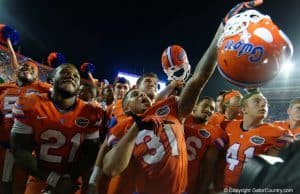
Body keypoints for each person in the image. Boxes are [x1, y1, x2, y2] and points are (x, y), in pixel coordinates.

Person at [100, 22, 224, 194]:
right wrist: (136, 128)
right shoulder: (123, 126)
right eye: (135, 95)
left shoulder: (171, 107)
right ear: (126, 107)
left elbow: (199, 79)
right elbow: (111, 168)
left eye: (143, 94)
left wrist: (222, 33)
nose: (142, 95)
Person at [10, 64, 106, 194]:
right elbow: (20, 150)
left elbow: (90, 154)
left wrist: (67, 180)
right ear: (51, 80)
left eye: (76, 76)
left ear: (78, 86)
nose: (71, 77)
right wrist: (54, 179)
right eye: (65, 73)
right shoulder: (31, 104)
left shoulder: (91, 112)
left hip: (72, 179)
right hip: (39, 175)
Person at [0, 40, 51, 194]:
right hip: (1, 145)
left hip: (26, 150)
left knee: (19, 189)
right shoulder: (5, 87)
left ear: (36, 76)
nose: (25, 68)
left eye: (30, 68)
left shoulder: (42, 88)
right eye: (23, 67)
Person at [223, 90, 294, 188]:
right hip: (222, 186)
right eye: (257, 101)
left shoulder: (280, 133)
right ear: (244, 109)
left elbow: (290, 164)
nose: (263, 104)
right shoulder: (229, 126)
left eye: (265, 103)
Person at [184, 97, 228, 194]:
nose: (208, 110)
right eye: (205, 106)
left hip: (188, 183)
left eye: (212, 109)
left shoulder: (217, 133)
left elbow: (209, 167)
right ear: (195, 107)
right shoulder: (182, 118)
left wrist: (202, 189)